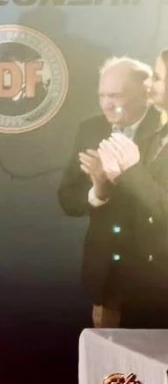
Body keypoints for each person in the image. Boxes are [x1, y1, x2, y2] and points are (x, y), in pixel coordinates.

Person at [58, 57, 159, 328]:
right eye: (102, 95)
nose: (106, 104)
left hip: (155, 279)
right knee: (107, 352)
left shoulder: (163, 130)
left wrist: (127, 175)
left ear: (145, 93)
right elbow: (68, 199)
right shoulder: (90, 129)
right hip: (106, 277)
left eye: (115, 95)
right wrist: (98, 190)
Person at [97, 50, 168, 329]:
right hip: (141, 287)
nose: (148, 83)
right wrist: (109, 181)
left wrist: (131, 171)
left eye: (158, 78)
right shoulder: (157, 135)